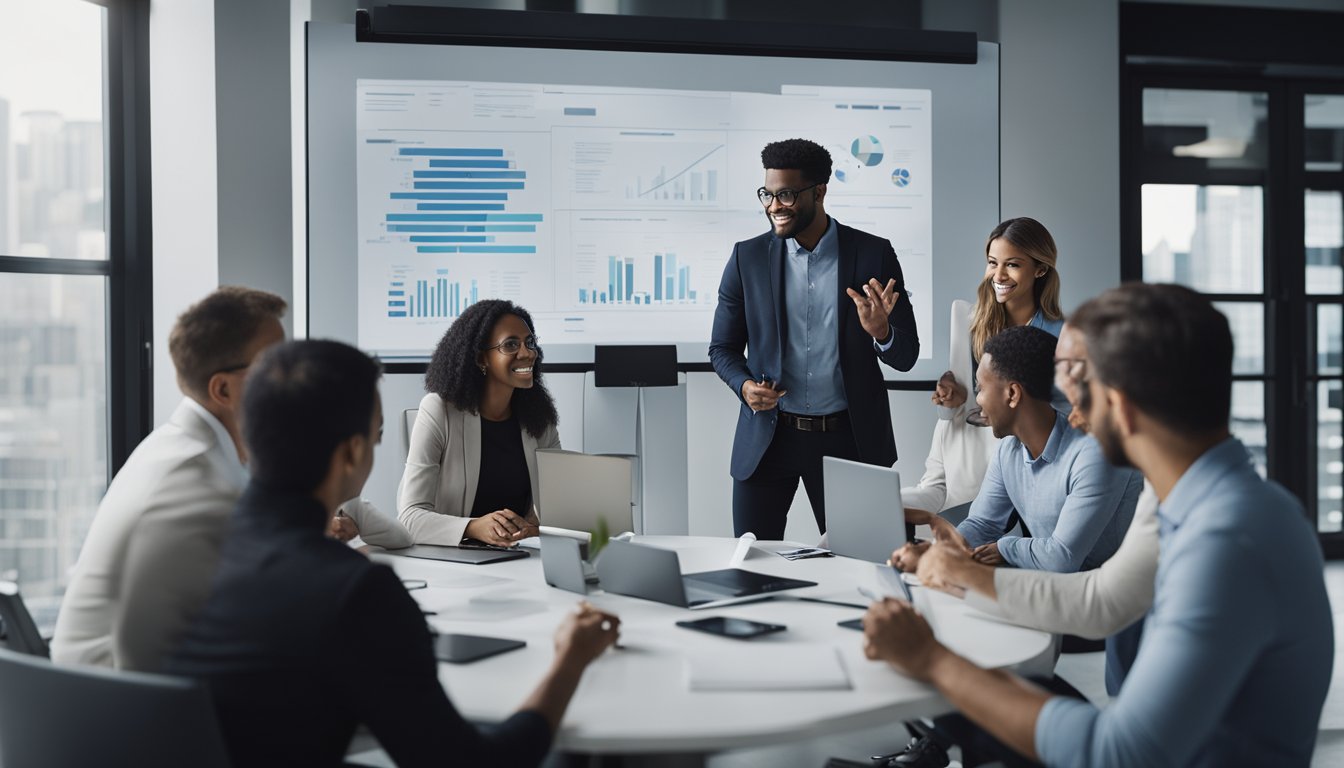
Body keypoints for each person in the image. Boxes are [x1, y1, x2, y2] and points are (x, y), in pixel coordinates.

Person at [864, 284, 1335, 767]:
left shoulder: (1228, 538)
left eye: (1072, 378)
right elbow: (1102, 600)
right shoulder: (1181, 492)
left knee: (969, 692)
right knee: (987, 697)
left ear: (1122, 403)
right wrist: (961, 572)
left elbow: (1120, 753)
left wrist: (934, 661)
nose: (1066, 403)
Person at [165, 340, 621, 768]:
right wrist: (570, 658)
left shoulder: (205, 549)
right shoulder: (354, 591)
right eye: (377, 435)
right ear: (353, 452)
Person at [50, 287, 287, 671]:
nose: (292, 379)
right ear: (223, 389)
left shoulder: (177, 446)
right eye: (276, 366)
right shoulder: (197, 478)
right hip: (123, 706)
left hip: (105, 692)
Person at [709, 138, 919, 539]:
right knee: (754, 564)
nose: (774, 206)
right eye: (767, 194)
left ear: (819, 192)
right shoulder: (746, 258)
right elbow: (722, 348)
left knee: (867, 563)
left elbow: (907, 355)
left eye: (786, 195)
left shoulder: (873, 255)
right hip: (769, 441)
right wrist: (745, 385)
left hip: (849, 440)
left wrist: (882, 333)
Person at [898, 326, 1140, 575]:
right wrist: (935, 553)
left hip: (1107, 597)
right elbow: (982, 524)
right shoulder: (1008, 450)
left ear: (1012, 394)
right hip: (1057, 589)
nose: (978, 400)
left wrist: (1004, 548)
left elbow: (1062, 559)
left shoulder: (1097, 453)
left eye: (981, 388)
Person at [397, 299, 560, 547]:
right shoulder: (438, 410)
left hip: (518, 558)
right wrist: (474, 527)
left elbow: (556, 509)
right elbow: (409, 518)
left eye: (529, 342)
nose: (528, 353)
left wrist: (534, 528)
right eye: (511, 344)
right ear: (481, 359)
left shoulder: (539, 418)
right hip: (451, 564)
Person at [932, 217, 1065, 422]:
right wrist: (954, 398)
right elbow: (951, 416)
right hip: (980, 449)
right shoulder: (971, 324)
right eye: (993, 263)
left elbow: (1069, 413)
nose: (999, 275)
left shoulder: (1061, 335)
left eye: (1012, 264)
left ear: (1041, 269)